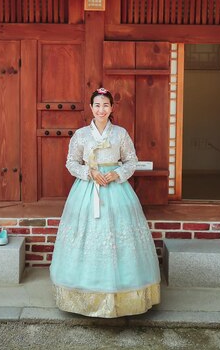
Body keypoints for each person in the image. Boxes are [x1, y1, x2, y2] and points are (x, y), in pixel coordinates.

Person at [49, 88, 161, 318]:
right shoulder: (81, 135)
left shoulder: (120, 133)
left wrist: (117, 173)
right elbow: (71, 163)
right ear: (91, 108)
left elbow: (131, 161)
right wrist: (89, 173)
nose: (101, 109)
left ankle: (123, 295)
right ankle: (84, 296)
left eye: (106, 105)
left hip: (115, 189)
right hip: (88, 190)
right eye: (97, 105)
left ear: (112, 108)